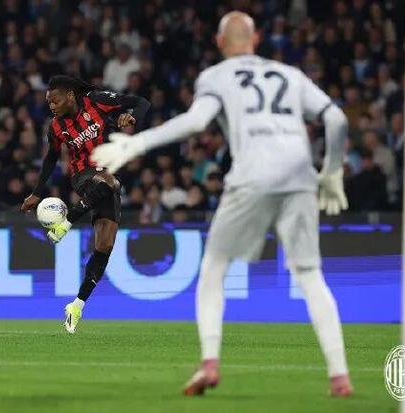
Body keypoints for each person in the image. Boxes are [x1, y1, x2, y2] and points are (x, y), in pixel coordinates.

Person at [92, 12, 352, 397]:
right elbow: (337, 119)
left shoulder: (216, 76)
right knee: (310, 275)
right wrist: (330, 172)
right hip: (299, 176)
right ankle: (340, 376)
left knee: (214, 267)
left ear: (218, 43)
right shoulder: (290, 75)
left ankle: (210, 363)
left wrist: (137, 143)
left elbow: (197, 122)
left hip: (252, 175)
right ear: (256, 39)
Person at [21, 75, 149, 334]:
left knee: (105, 246)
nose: (51, 106)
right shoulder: (56, 127)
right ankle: (64, 224)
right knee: (111, 182)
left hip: (107, 176)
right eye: (48, 102)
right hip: (84, 176)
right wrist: (36, 193)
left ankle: (76, 305)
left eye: (55, 101)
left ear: (70, 96)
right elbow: (50, 159)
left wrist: (131, 116)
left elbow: (141, 102)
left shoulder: (97, 101)